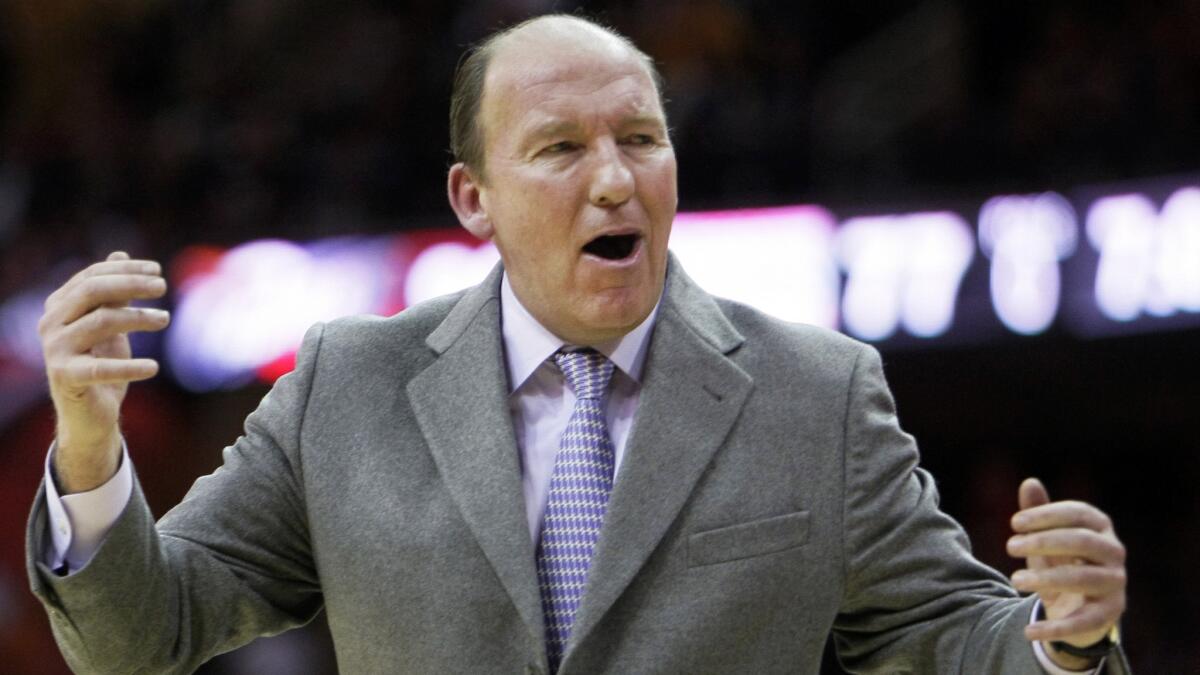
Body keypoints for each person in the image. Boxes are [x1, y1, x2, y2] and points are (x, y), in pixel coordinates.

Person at [28, 14, 1129, 675]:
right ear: (476, 199)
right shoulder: (345, 390)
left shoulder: (818, 393)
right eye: (561, 147)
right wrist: (86, 450)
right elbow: (144, 636)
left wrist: (1064, 637)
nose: (616, 176)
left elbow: (951, 634)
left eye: (641, 138)